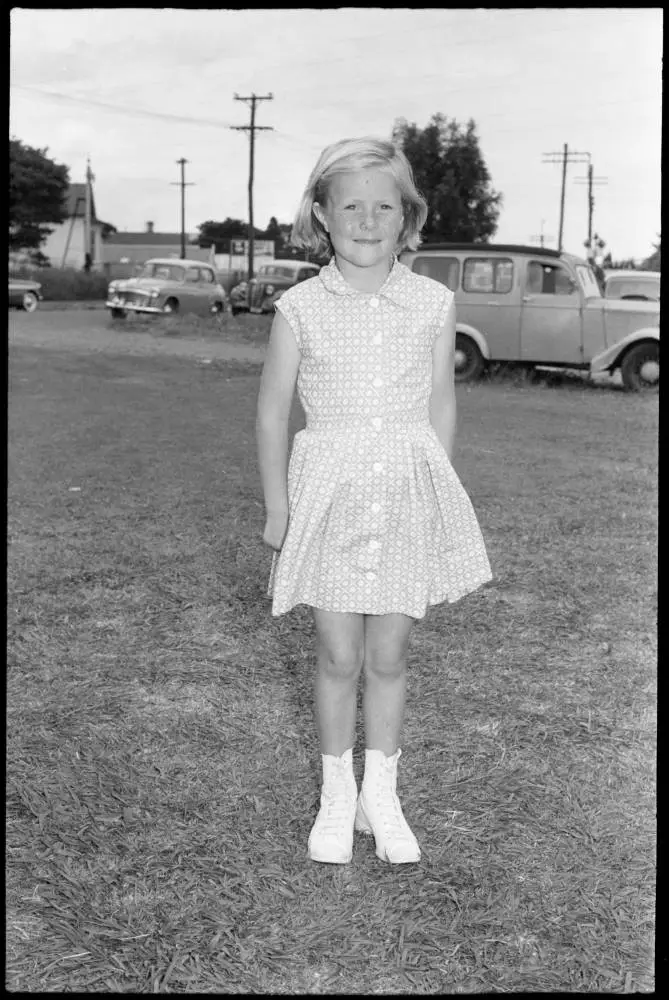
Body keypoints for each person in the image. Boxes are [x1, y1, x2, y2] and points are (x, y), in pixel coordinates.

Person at [256, 136, 492, 866]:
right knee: (337, 653)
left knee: (387, 655)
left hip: (402, 491)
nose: (366, 219)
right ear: (321, 216)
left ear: (406, 217)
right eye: (349, 205)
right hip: (326, 493)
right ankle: (335, 793)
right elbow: (271, 413)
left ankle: (378, 796)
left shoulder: (431, 301)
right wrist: (276, 507)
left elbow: (440, 404)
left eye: (382, 206)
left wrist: (433, 489)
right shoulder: (298, 307)